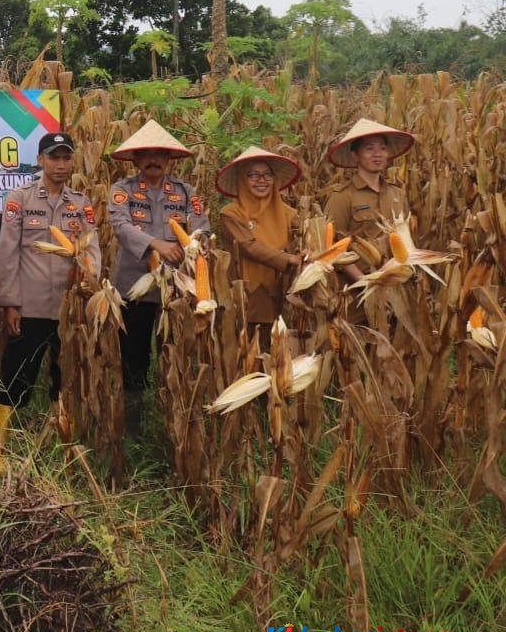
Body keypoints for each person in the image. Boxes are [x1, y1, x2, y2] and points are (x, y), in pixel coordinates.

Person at [0, 133, 101, 466]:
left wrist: (90, 285)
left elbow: (91, 248)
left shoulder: (80, 203)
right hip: (31, 305)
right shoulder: (20, 199)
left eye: (66, 158)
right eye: (54, 157)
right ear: (41, 160)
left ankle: (66, 447)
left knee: (65, 375)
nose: (61, 164)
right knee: (18, 373)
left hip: (69, 307)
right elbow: (7, 253)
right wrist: (10, 303)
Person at [106, 119, 208, 432]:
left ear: (169, 159)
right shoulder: (122, 191)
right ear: (135, 159)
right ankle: (133, 423)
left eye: (159, 154)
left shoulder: (186, 192)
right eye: (146, 154)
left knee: (175, 352)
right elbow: (121, 227)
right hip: (134, 289)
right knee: (133, 357)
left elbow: (202, 228)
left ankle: (173, 418)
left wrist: (193, 244)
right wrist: (158, 244)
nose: (153, 159)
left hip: (176, 291)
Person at [216, 146, 303, 343]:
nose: (261, 180)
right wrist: (287, 258)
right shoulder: (231, 214)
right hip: (248, 293)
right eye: (253, 175)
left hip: (285, 292)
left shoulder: (290, 214)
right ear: (242, 181)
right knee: (254, 347)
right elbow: (249, 247)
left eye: (267, 175)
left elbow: (303, 240)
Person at [324, 118, 414, 284]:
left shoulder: (398, 194)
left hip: (398, 285)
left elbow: (407, 239)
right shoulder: (342, 197)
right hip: (358, 288)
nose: (377, 153)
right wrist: (365, 281)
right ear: (355, 155)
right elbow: (333, 247)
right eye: (369, 148)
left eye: (382, 148)